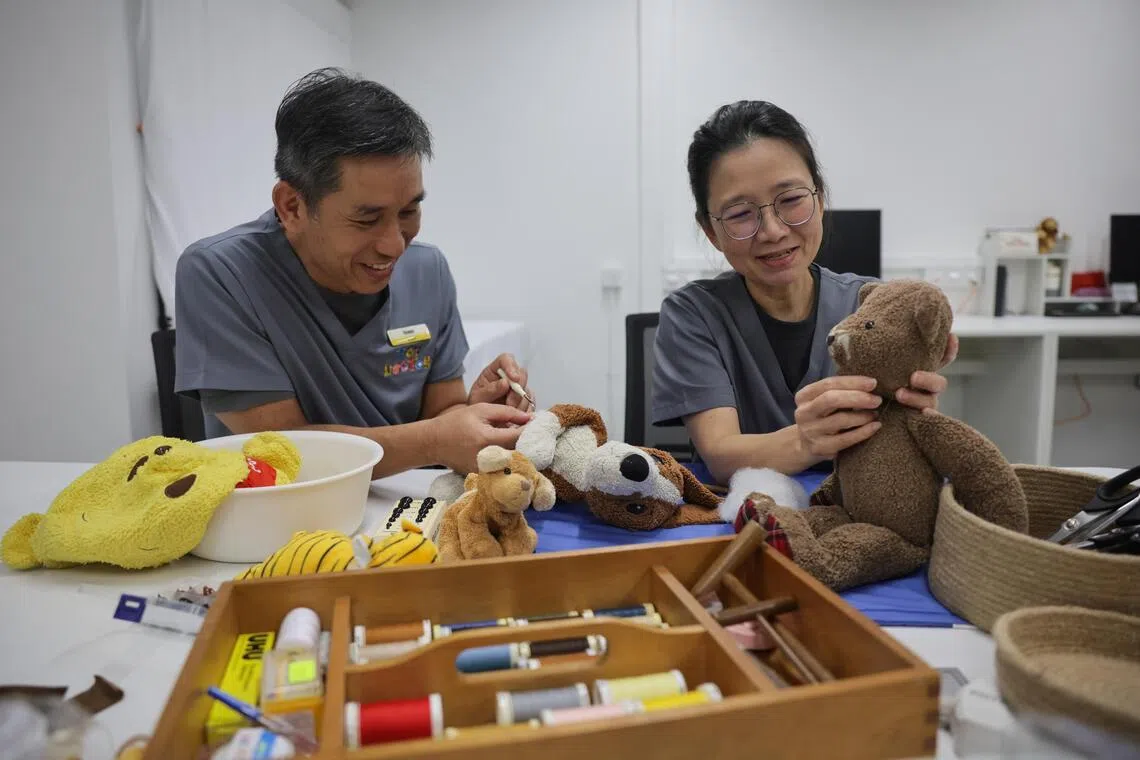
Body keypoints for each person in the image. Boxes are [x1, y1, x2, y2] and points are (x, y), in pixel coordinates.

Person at [174, 68, 535, 479]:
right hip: (283, 524)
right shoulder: (221, 273)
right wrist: (436, 439)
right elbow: (279, 450)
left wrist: (475, 411)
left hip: (406, 515)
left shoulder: (427, 270)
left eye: (409, 211)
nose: (395, 245)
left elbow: (441, 412)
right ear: (292, 206)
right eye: (367, 219)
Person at [651, 101, 957, 485]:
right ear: (712, 232)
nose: (773, 231)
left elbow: (903, 440)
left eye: (791, 200)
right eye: (740, 214)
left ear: (820, 198)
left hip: (861, 512)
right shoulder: (693, 315)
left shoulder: (870, 304)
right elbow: (721, 455)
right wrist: (806, 441)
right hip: (744, 520)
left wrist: (917, 409)